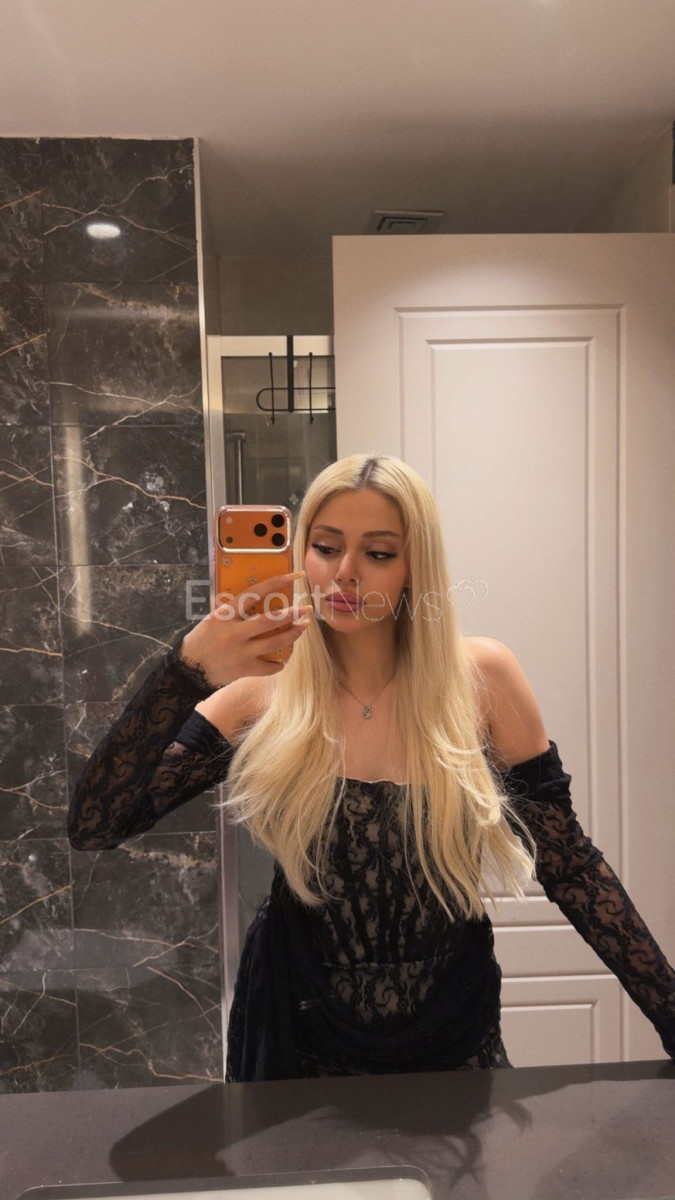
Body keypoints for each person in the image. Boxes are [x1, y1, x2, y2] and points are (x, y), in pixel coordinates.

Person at [69, 454, 675, 1081]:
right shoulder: (261, 692)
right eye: (326, 547)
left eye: (379, 553)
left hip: (454, 1035)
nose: (345, 574)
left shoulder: (481, 681)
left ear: (415, 567)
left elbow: (570, 866)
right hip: (299, 1037)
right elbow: (95, 824)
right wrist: (187, 670)